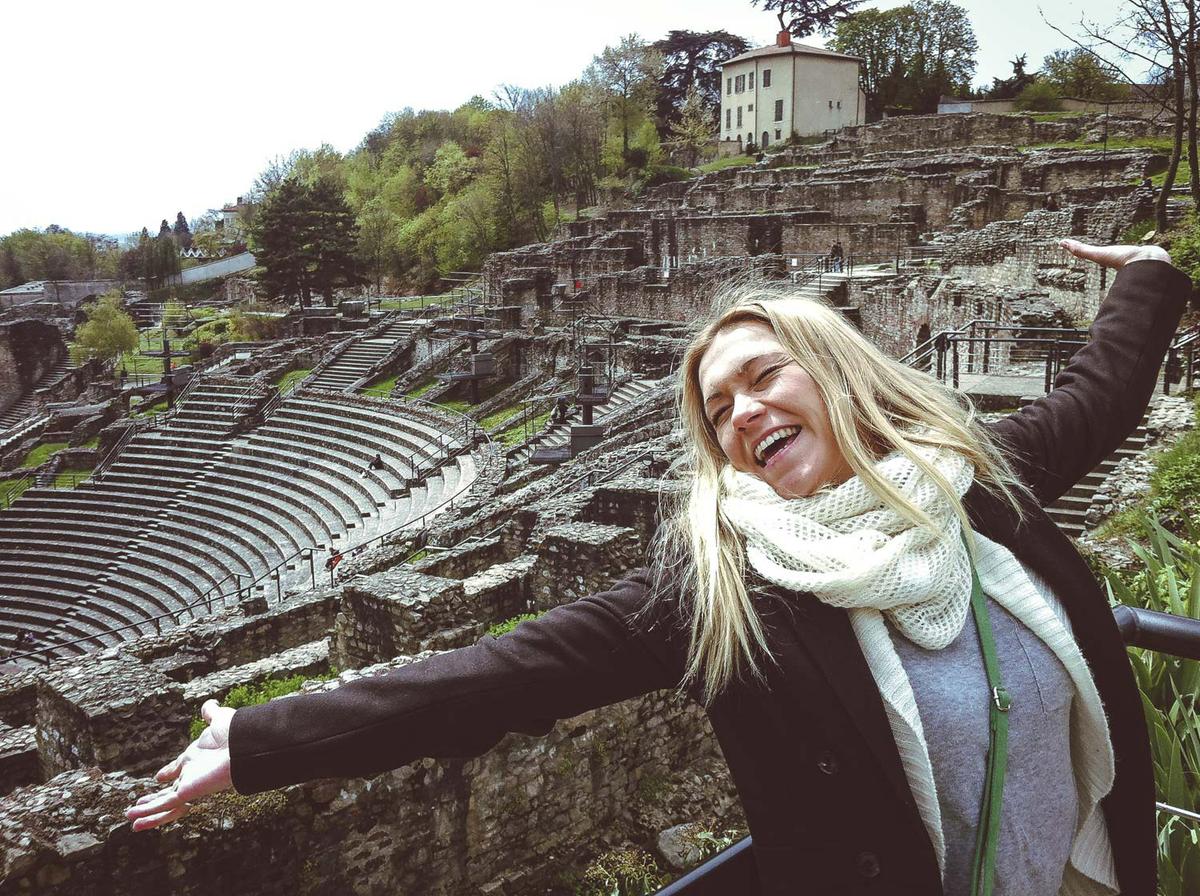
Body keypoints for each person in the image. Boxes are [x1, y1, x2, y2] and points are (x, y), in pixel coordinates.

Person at [126, 239, 1186, 896]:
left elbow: (1104, 388)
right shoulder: (729, 591)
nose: (745, 412)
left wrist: (1147, 271)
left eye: (765, 374)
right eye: (718, 410)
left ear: (838, 372)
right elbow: (514, 671)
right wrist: (263, 736)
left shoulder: (977, 485)